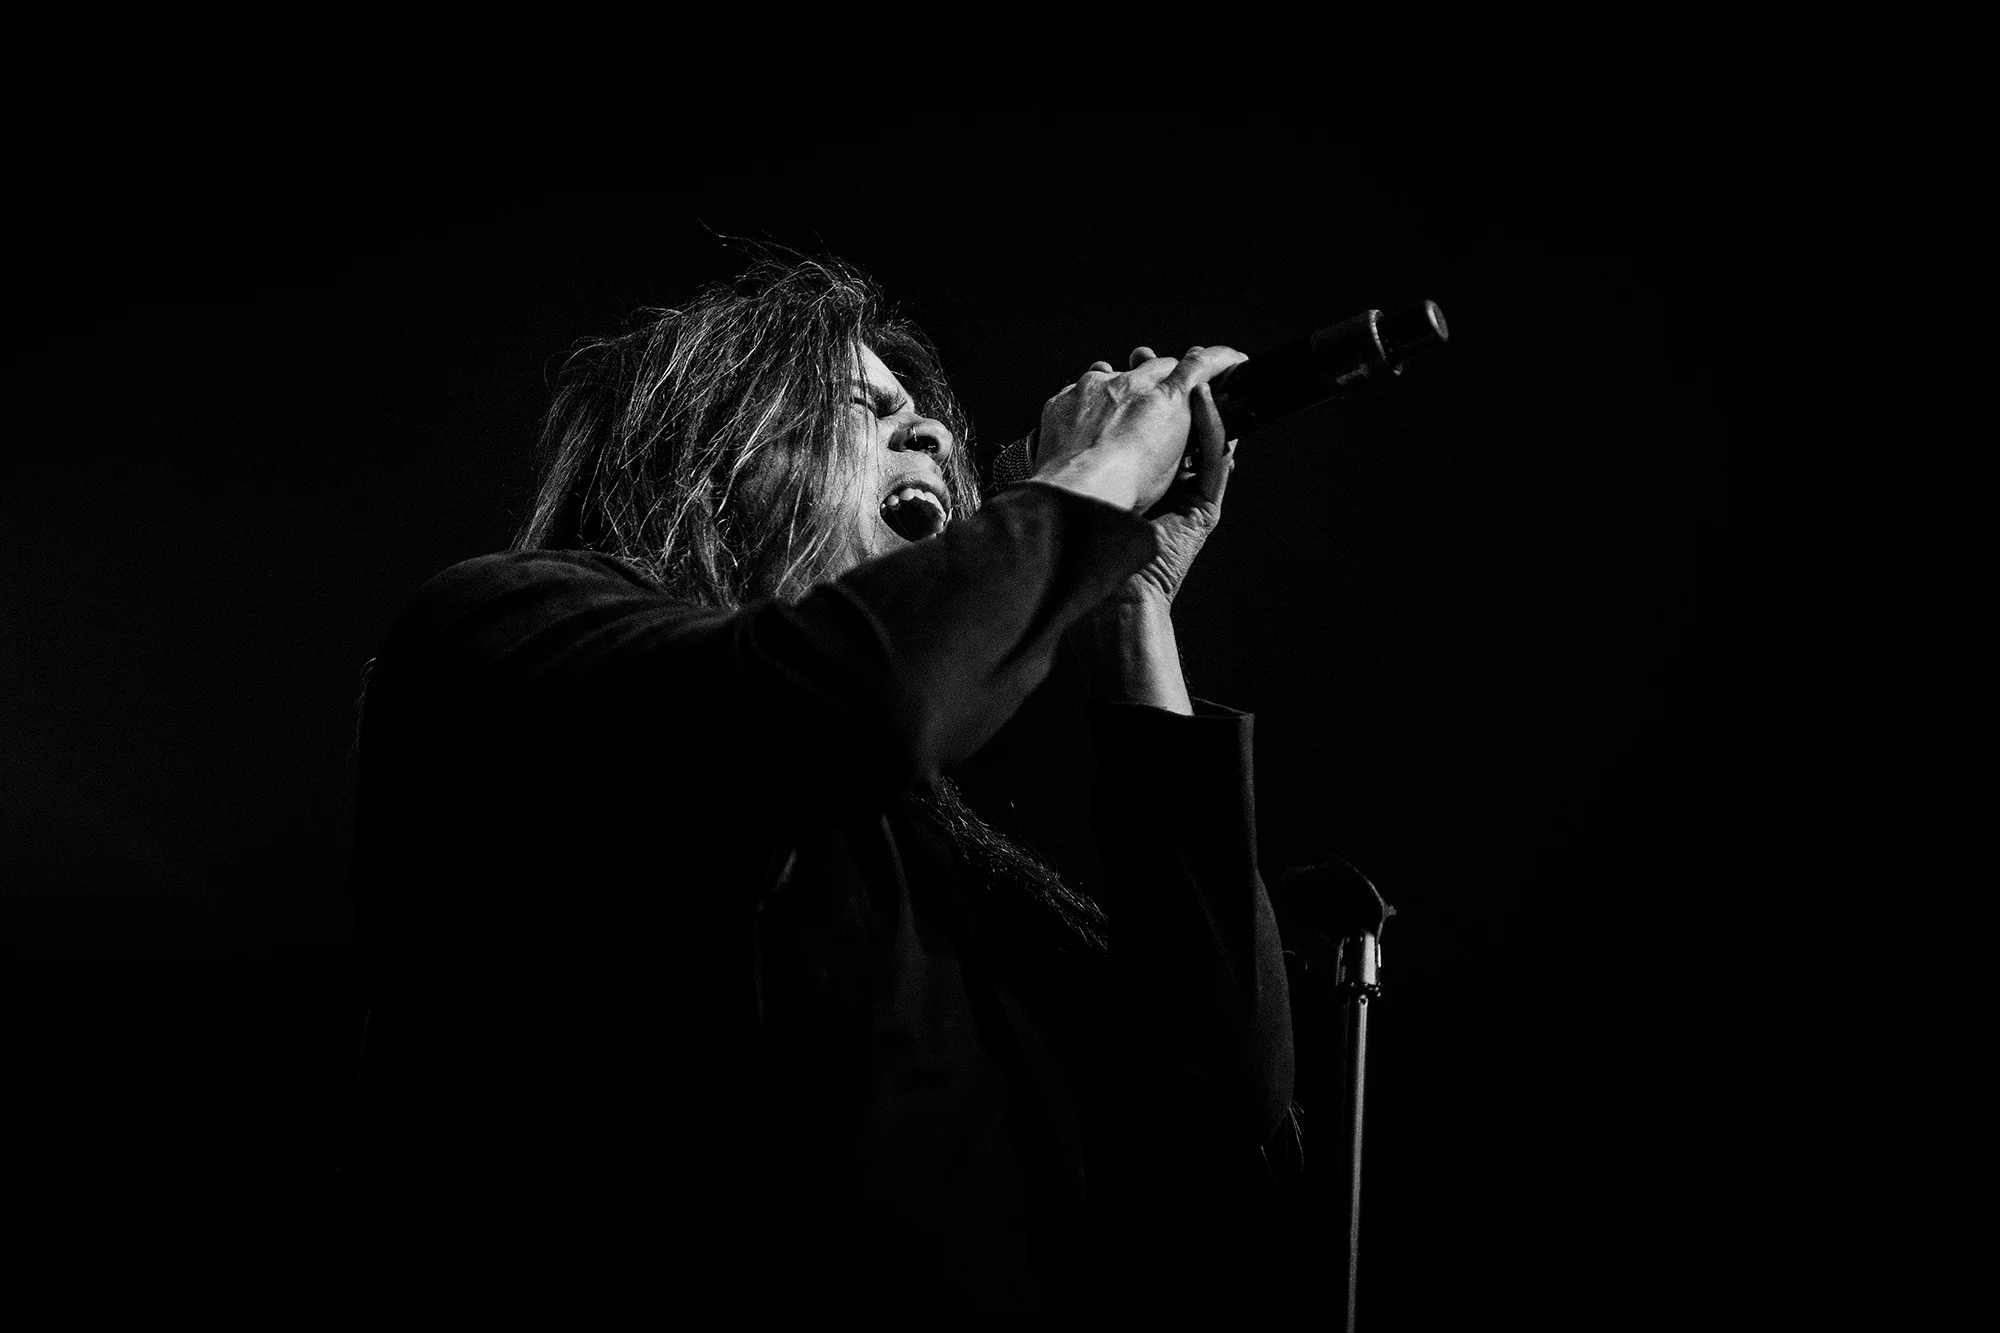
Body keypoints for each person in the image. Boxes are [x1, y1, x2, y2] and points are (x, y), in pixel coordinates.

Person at [339, 255, 1302, 1328]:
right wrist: (1103, 471)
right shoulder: (500, 635)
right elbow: (860, 696)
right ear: (713, 450)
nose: (934, 433)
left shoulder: (919, 854)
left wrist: (1127, 602)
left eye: (920, 416)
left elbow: (1221, 1090)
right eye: (864, 407)